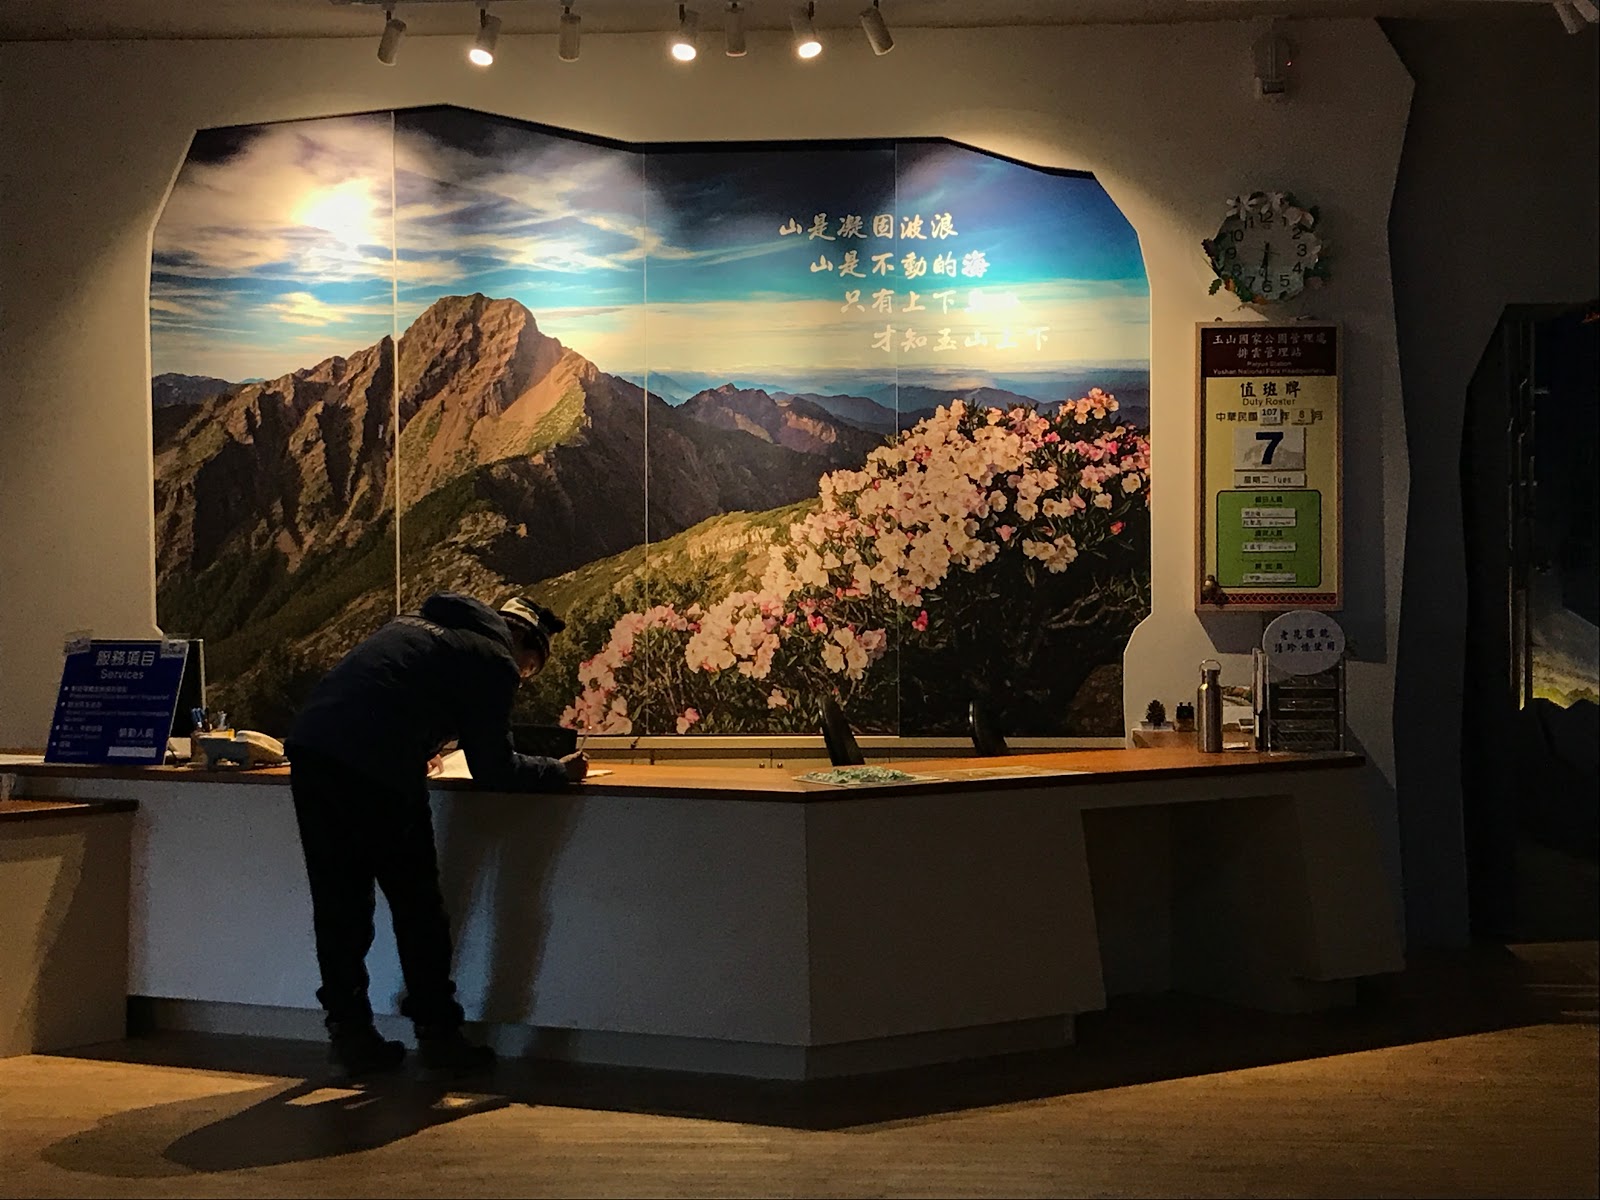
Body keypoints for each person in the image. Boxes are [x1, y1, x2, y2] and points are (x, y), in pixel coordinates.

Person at [285, 592, 587, 1079]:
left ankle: (350, 1035)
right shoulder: (493, 658)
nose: (521, 678)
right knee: (418, 907)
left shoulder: (418, 624)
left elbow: (387, 693)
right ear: (522, 643)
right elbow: (494, 768)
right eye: (530, 669)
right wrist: (558, 771)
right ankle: (439, 1037)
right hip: (375, 767)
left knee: (340, 904)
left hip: (313, 751)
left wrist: (417, 744)